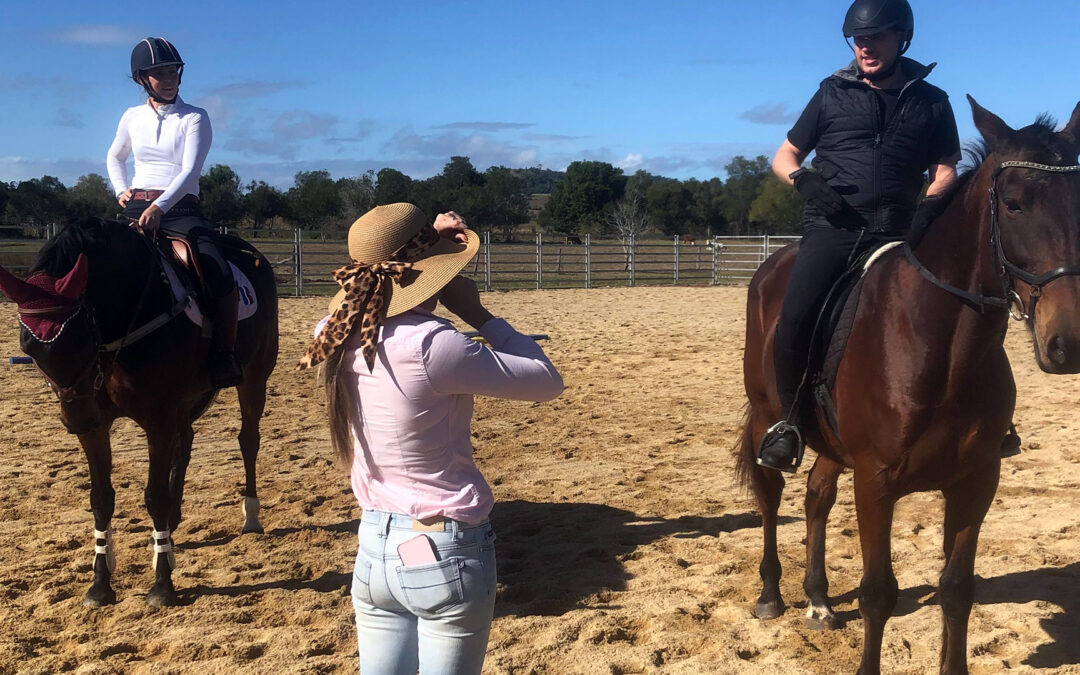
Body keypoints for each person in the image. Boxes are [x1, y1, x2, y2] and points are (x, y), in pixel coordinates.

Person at [298, 203, 564, 674]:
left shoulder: (332, 334)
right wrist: (478, 313)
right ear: (430, 276)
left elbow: (358, 299)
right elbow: (546, 380)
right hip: (445, 547)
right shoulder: (435, 344)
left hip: (374, 544)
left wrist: (426, 246)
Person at [756, 0, 964, 472]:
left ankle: (991, 418)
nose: (866, 47)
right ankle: (789, 423)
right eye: (859, 39)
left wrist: (924, 211)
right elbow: (785, 155)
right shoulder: (830, 93)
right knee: (796, 315)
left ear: (901, 39)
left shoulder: (932, 101)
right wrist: (804, 180)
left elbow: (946, 169)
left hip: (901, 230)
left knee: (964, 308)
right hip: (834, 228)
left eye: (877, 37)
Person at [106, 37, 243, 388]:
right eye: (158, 74)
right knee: (99, 261)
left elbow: (189, 171)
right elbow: (115, 156)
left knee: (214, 266)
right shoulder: (131, 117)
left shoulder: (195, 117)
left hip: (180, 208)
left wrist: (159, 206)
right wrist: (121, 189)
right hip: (137, 204)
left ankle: (225, 353)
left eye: (172, 72)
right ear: (142, 79)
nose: (168, 79)